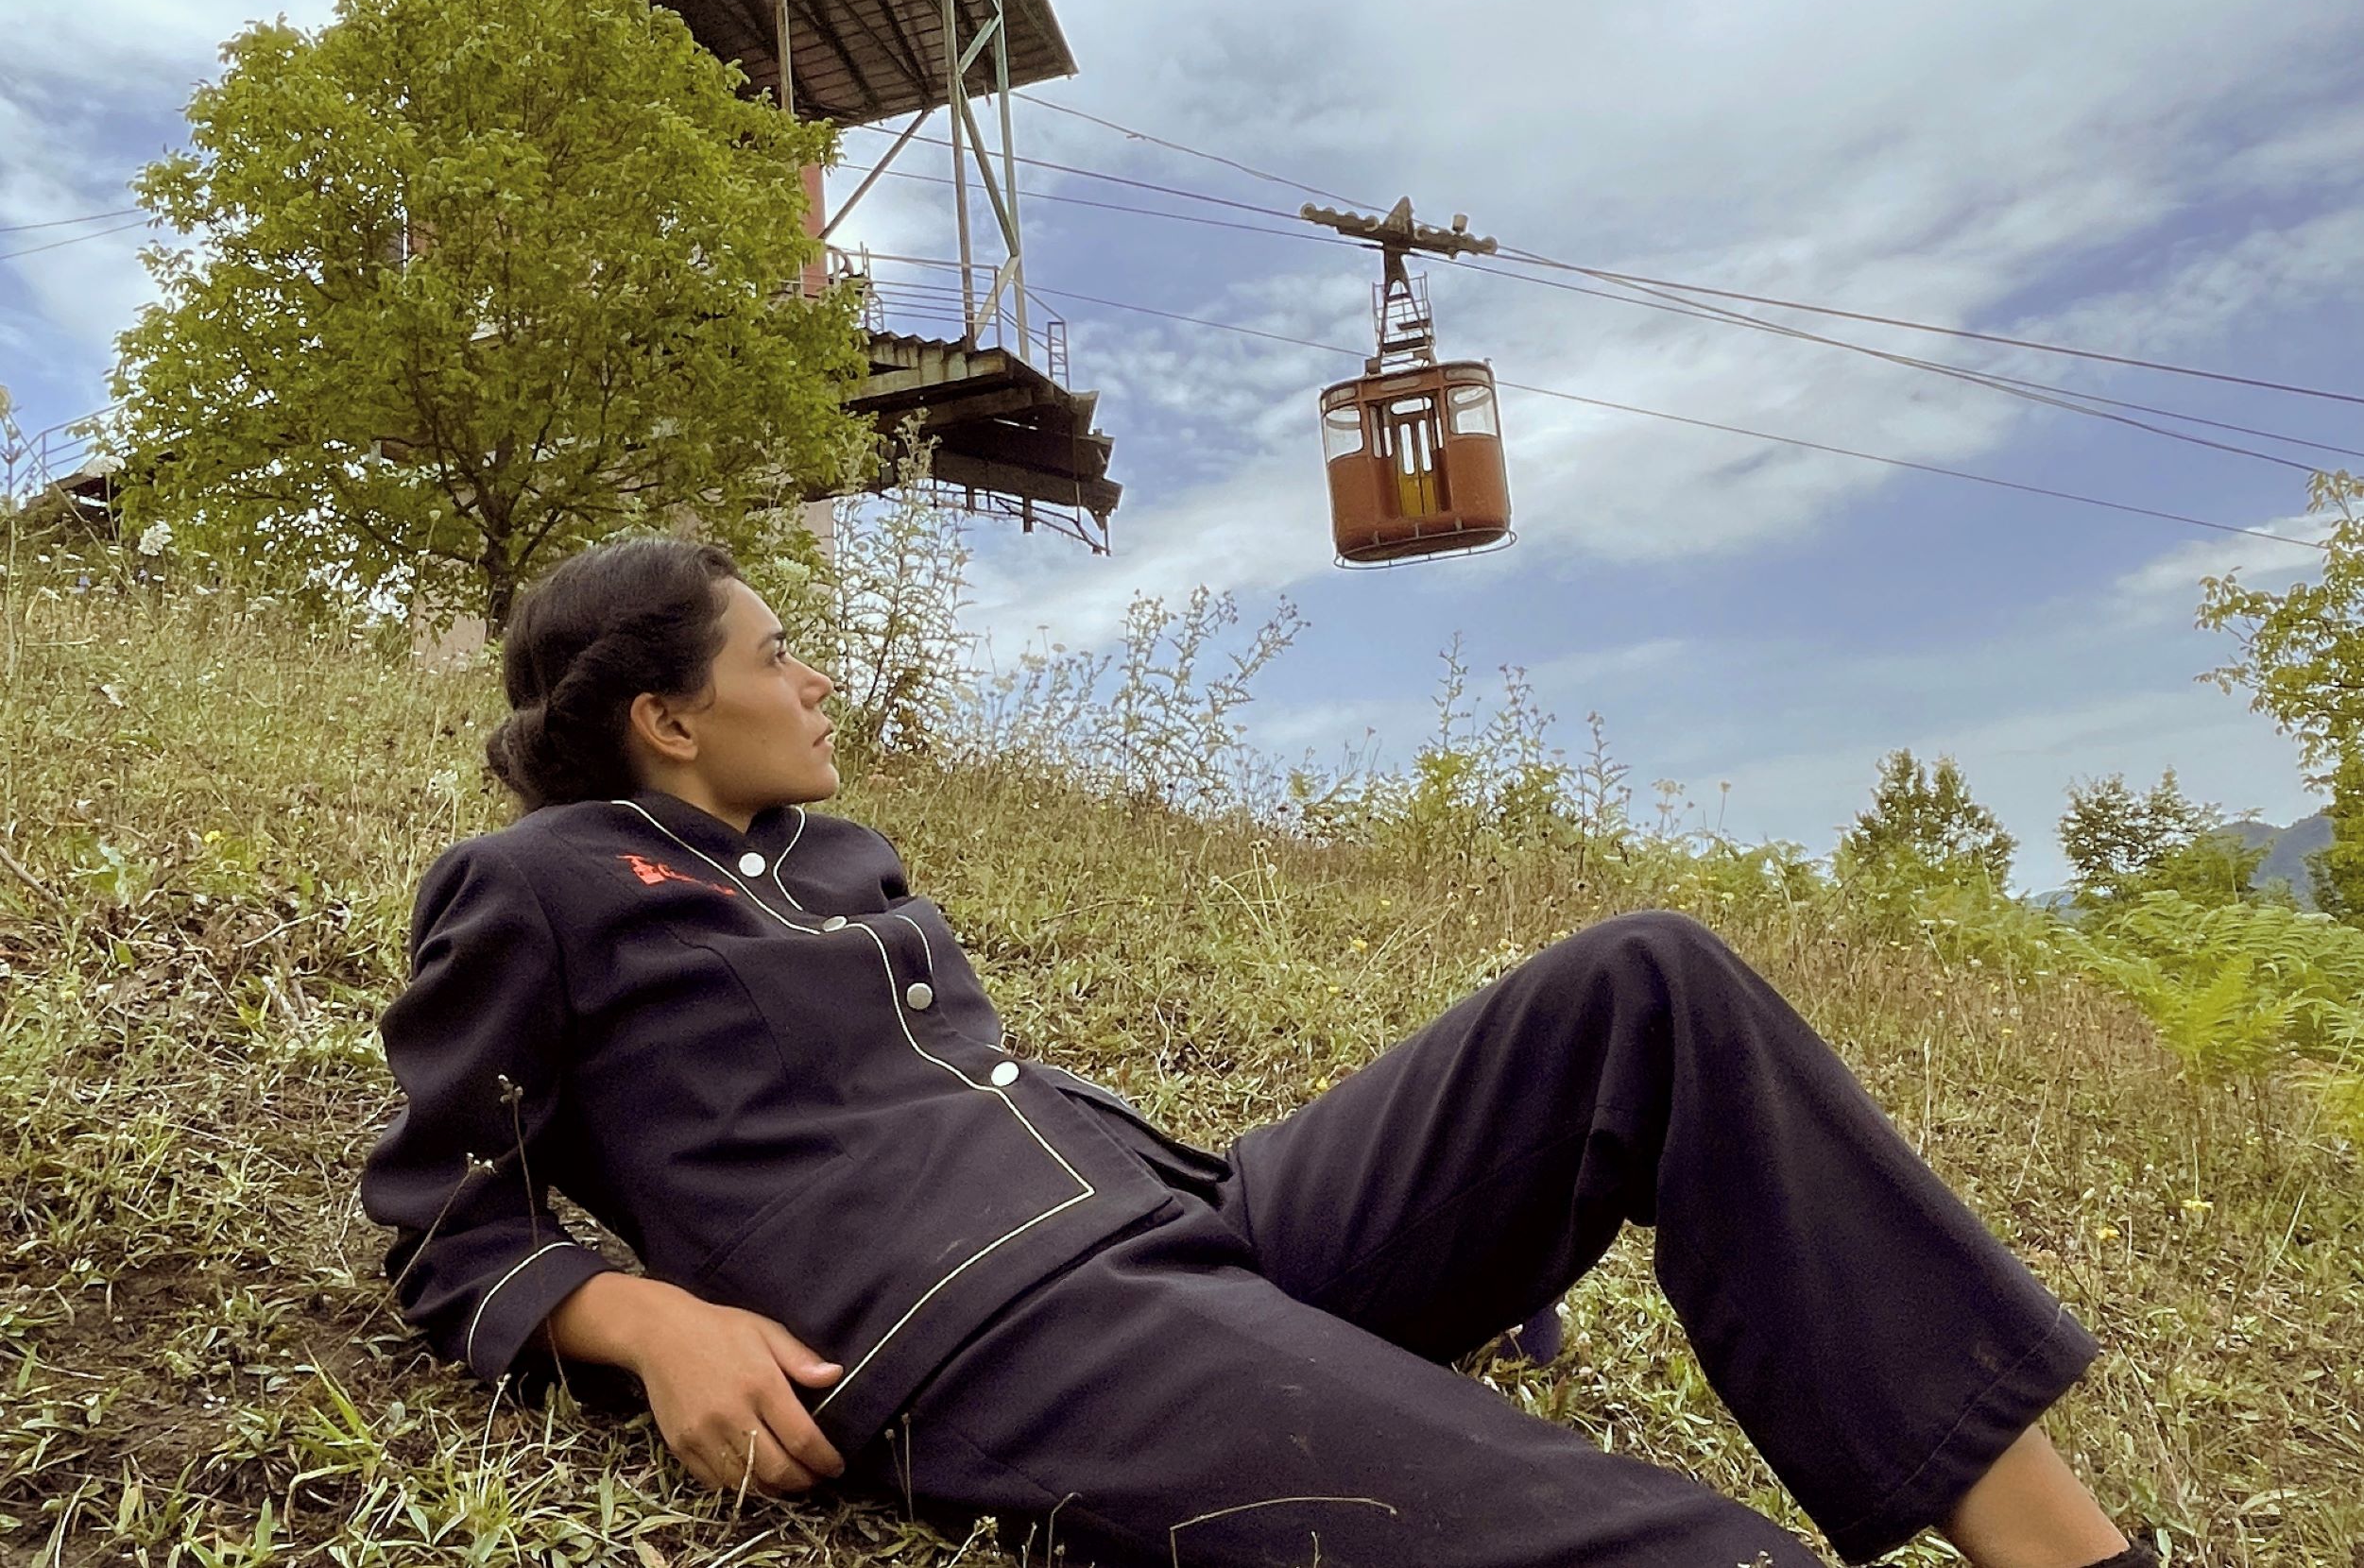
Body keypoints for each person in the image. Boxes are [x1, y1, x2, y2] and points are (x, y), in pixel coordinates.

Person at [360, 536, 2155, 1568]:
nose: (819, 680)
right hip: (1011, 1329)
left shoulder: (837, 853)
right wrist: (646, 1317)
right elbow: (447, 1213)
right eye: (778, 655)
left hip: (1202, 1216)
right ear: (669, 717)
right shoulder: (536, 884)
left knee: (1649, 980)